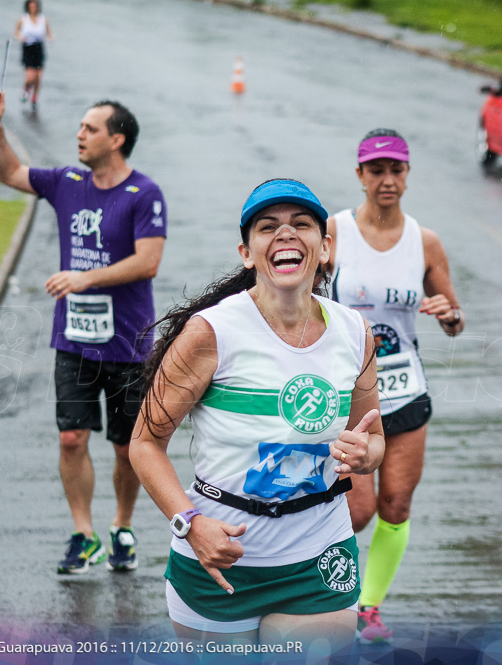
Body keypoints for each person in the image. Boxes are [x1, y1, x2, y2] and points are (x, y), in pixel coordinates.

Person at [129, 179, 385, 649]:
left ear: (324, 247)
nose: (285, 234)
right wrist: (190, 524)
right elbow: (144, 444)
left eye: (301, 224)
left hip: (318, 558)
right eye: (268, 227)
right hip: (220, 561)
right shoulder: (211, 333)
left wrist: (366, 455)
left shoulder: (354, 331)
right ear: (248, 252)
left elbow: (373, 439)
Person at [0, 90, 167, 574]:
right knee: (71, 439)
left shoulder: (144, 194)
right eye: (80, 127)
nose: (79, 135)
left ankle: (122, 527)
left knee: (128, 448)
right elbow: (9, 173)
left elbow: (148, 262)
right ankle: (83, 534)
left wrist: (85, 277)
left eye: (90, 128)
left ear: (117, 139)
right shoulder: (66, 181)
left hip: (128, 343)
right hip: (75, 341)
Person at [327, 129, 464, 643]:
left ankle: (368, 607)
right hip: (347, 395)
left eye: (396, 170)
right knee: (357, 510)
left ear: (407, 175)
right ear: (360, 175)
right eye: (376, 170)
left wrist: (449, 314)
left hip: (406, 391)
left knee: (396, 506)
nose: (387, 180)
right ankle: (323, 594)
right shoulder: (332, 232)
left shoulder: (424, 242)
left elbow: (453, 318)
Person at [14, 0, 53, 111]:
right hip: (27, 48)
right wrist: (20, 37)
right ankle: (26, 89)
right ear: (28, 7)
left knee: (38, 77)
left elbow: (49, 32)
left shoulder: (43, 19)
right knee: (30, 77)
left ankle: (35, 98)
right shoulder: (23, 19)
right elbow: (16, 32)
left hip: (39, 48)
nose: (33, 8)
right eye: (31, 6)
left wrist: (51, 38)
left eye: (35, 6)